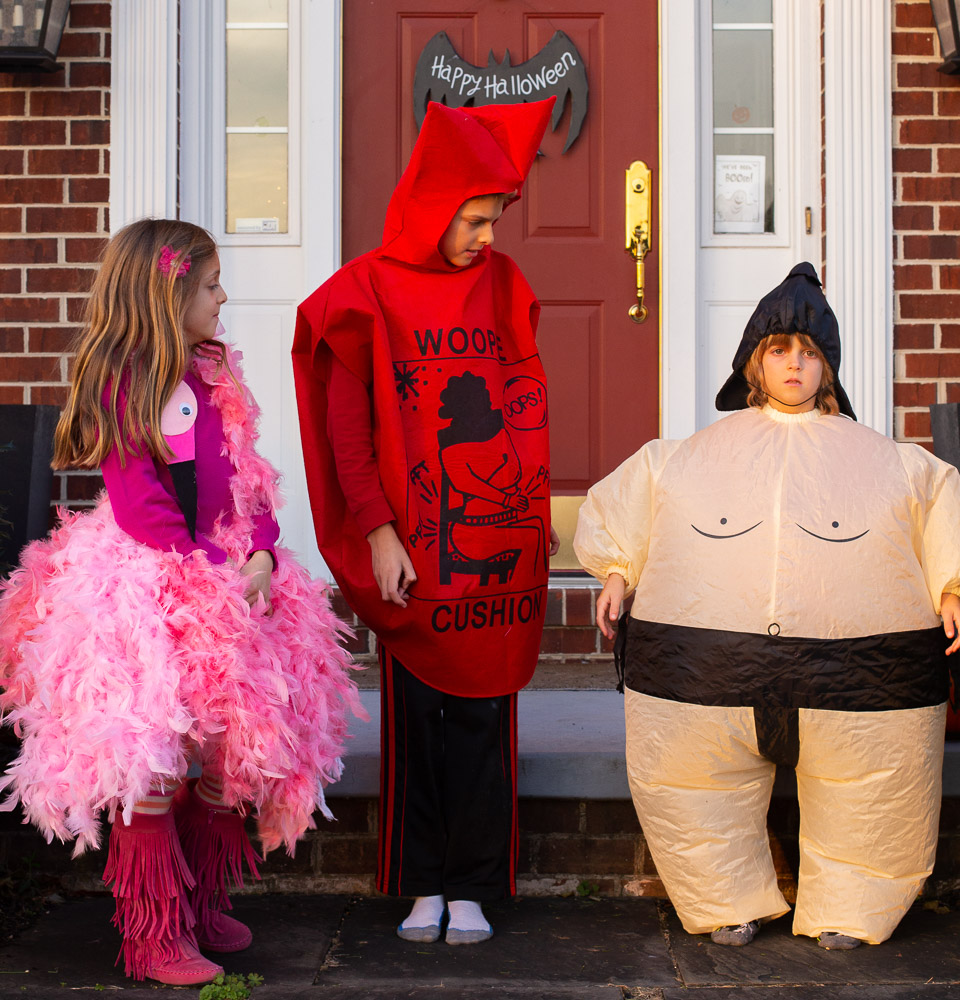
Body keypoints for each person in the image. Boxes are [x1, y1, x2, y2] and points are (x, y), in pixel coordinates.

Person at [574, 262, 960, 951]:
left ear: (829, 367)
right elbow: (635, 503)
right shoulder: (686, 459)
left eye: (809, 352)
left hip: (860, 685)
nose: (795, 365)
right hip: (704, 679)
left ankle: (854, 904)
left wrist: (953, 586)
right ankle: (722, 899)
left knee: (874, 786)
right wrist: (617, 571)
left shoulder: (891, 463)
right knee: (693, 784)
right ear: (755, 362)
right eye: (779, 351)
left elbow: (934, 509)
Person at [0, 219, 365, 985]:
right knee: (156, 760)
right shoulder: (126, 383)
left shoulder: (215, 373)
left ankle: (200, 901)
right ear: (168, 295)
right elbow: (143, 507)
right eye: (210, 285)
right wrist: (211, 571)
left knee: (226, 752)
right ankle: (154, 931)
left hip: (232, 576)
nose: (223, 297)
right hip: (152, 583)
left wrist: (262, 550)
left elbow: (246, 479)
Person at [293, 99, 559, 945]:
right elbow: (346, 433)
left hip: (491, 540)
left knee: (486, 714)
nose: (488, 235)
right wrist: (377, 530)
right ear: (434, 206)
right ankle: (422, 883)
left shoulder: (502, 283)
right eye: (474, 219)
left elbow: (521, 406)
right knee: (417, 718)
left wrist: (530, 504)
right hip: (410, 545)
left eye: (494, 219)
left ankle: (475, 883)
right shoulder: (363, 291)